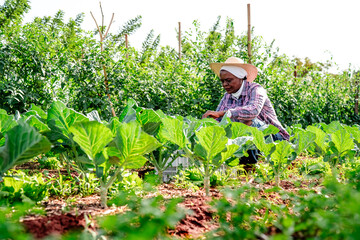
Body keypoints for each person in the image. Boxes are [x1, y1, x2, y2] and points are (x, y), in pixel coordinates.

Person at [202, 57, 290, 166]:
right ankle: (238, 163)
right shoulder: (227, 96)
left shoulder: (256, 89)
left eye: (228, 80)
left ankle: (250, 164)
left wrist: (224, 113)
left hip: (274, 138)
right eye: (222, 81)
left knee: (248, 121)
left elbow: (253, 110)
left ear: (241, 78)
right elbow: (219, 120)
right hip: (249, 139)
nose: (224, 84)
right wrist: (210, 122)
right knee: (221, 128)